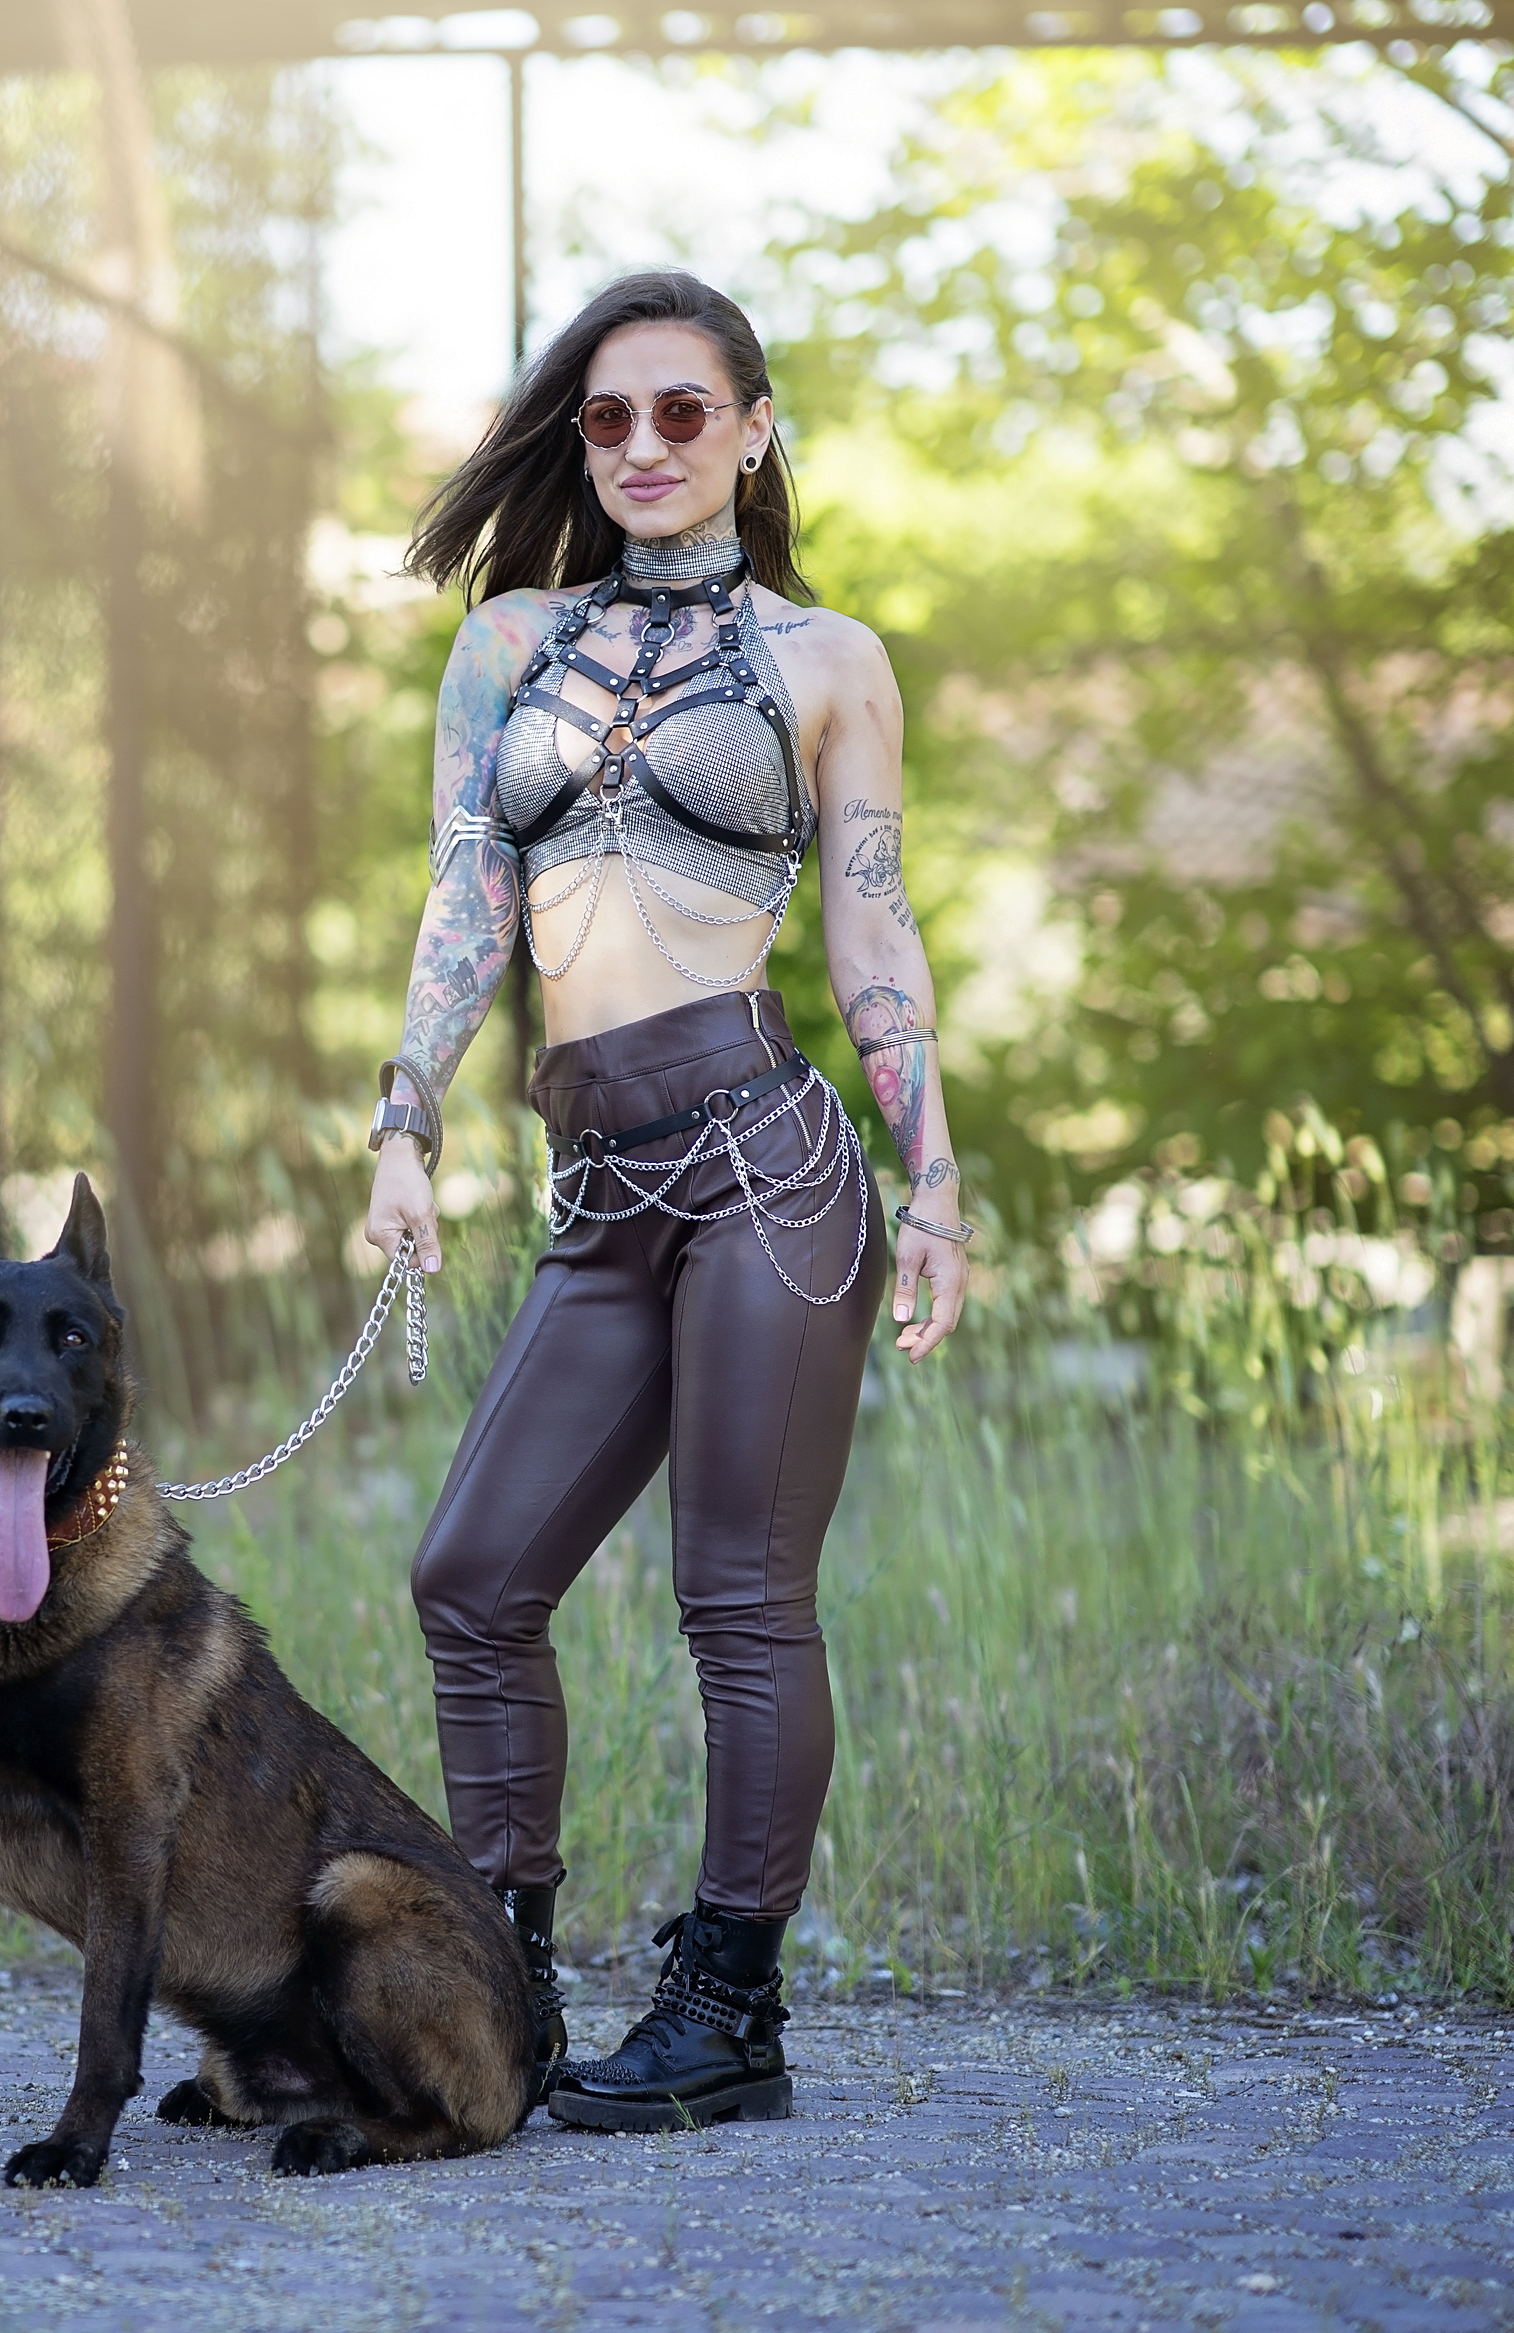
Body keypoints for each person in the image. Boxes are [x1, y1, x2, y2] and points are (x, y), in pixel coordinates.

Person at [362, 270, 969, 2133]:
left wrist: (936, 1180)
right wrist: (403, 1121)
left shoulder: (826, 661)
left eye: (683, 411)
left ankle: (729, 2010)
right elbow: (466, 897)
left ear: (754, 429)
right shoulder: (507, 644)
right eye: (609, 417)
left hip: (767, 1167)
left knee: (741, 1599)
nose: (642, 445)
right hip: (601, 1178)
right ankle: (505, 1992)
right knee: (473, 1576)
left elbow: (873, 925)